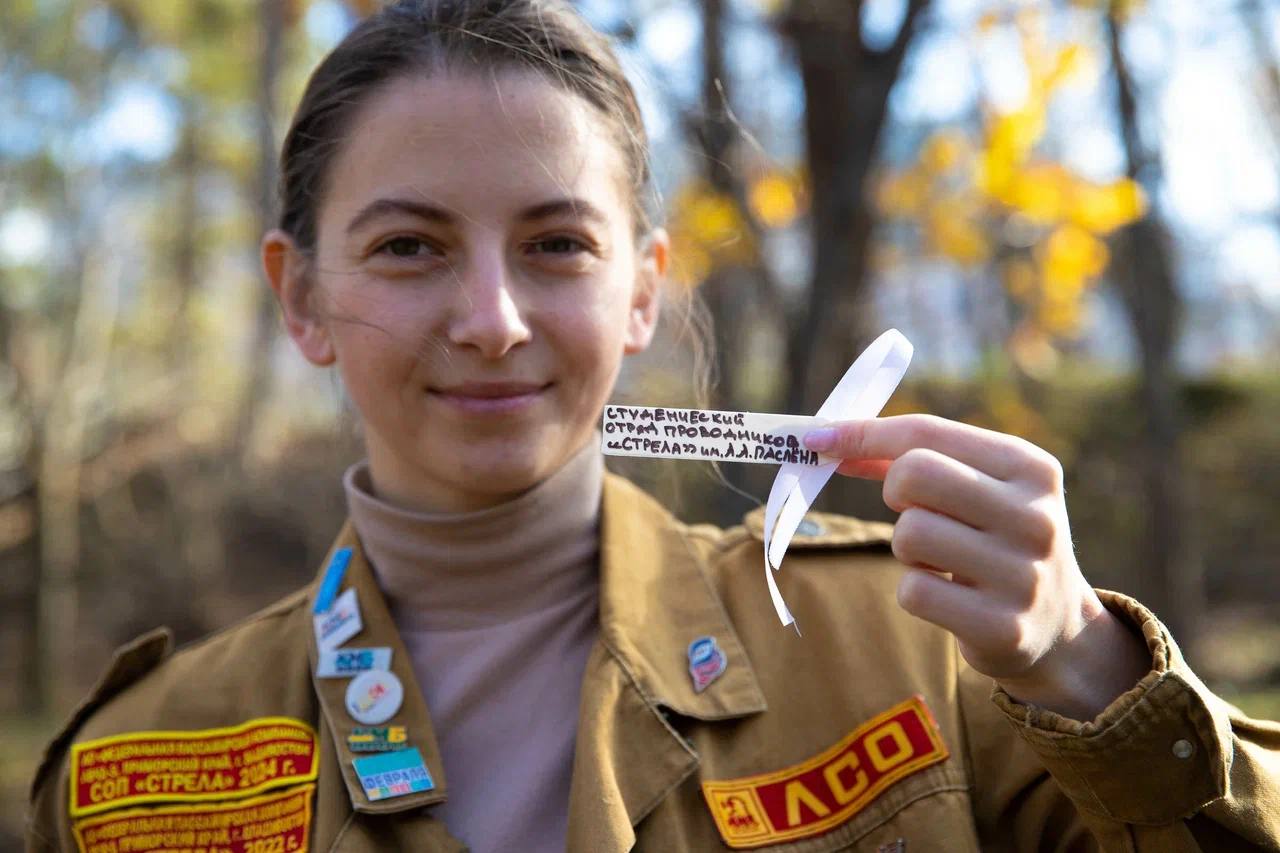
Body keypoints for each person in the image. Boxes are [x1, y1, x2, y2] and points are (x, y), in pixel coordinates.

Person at [25, 0, 1280, 850]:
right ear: (301, 297)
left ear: (638, 293)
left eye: (555, 245)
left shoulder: (916, 653)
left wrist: (1085, 669)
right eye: (407, 247)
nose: (493, 318)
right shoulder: (138, 766)